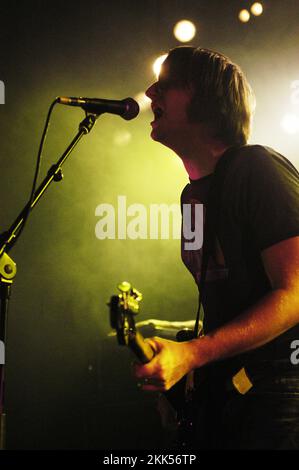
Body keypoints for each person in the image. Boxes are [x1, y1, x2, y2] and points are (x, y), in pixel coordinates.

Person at [133, 46, 299, 449]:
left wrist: (193, 354)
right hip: (233, 395)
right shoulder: (191, 198)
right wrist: (185, 372)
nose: (151, 92)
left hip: (283, 394)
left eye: (168, 84)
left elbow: (295, 294)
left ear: (207, 99)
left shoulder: (255, 167)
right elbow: (227, 307)